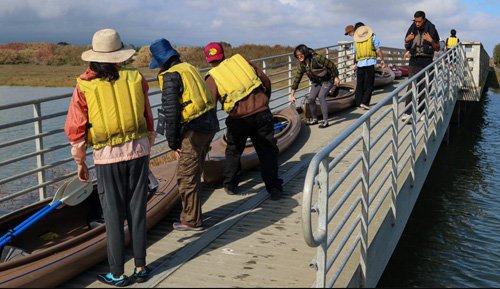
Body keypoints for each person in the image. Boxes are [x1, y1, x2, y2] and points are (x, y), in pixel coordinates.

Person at [65, 28, 155, 286]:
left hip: (107, 158)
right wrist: (147, 144)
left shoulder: (84, 85)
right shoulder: (136, 78)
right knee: (137, 210)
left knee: (113, 215)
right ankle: (140, 268)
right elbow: (148, 117)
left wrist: (80, 162)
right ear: (119, 57)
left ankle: (117, 273)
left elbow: (76, 129)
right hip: (139, 152)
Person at [150, 38, 219, 231]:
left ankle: (191, 220)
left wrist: (173, 143)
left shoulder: (171, 76)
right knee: (194, 172)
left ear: (161, 61)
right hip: (210, 124)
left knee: (186, 175)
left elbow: (171, 113)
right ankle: (194, 214)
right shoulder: (189, 67)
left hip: (194, 130)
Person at [203, 42, 283, 200]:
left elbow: (210, 106)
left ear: (208, 59)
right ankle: (274, 187)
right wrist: (264, 101)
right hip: (262, 112)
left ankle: (231, 184)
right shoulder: (242, 61)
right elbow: (265, 80)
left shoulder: (212, 77)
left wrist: (208, 132)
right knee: (267, 150)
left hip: (239, 118)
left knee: (233, 149)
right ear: (223, 54)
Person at [402, 11, 440, 123]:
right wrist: (406, 40)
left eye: (419, 21)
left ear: (424, 19)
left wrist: (431, 41)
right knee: (411, 87)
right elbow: (406, 47)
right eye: (415, 21)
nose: (417, 24)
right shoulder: (412, 30)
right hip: (414, 61)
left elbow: (437, 48)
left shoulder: (432, 30)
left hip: (427, 62)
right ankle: (407, 113)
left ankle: (422, 111)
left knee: (425, 87)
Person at [290, 44, 340, 128]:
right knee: (311, 98)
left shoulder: (317, 58)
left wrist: (336, 77)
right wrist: (292, 95)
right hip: (317, 82)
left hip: (328, 79)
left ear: (305, 53)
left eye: (301, 55)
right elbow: (297, 80)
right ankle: (315, 119)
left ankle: (325, 121)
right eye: (297, 56)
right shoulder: (302, 65)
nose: (299, 57)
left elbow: (331, 65)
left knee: (321, 96)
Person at [351, 22, 386, 110]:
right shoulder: (373, 37)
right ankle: (365, 102)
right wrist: (382, 60)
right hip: (369, 63)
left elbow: (355, 53)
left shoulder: (356, 40)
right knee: (369, 84)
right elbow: (378, 49)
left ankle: (358, 102)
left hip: (360, 64)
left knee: (359, 83)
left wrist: (354, 63)